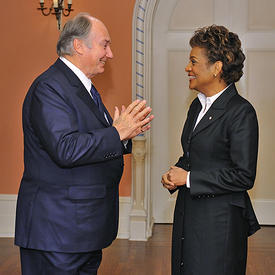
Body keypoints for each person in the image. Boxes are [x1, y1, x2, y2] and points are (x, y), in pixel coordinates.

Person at [15, 13, 153, 275]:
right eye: (105, 44)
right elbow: (66, 149)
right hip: (58, 232)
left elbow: (89, 143)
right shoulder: (50, 87)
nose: (110, 54)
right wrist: (116, 133)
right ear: (79, 45)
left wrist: (122, 136)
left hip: (79, 231)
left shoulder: (83, 88)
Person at [161, 25, 260, 275]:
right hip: (190, 215)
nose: (187, 68)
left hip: (219, 225)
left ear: (217, 67)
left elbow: (243, 175)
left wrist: (189, 178)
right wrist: (177, 173)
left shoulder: (241, 112)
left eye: (193, 61)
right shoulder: (197, 106)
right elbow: (194, 155)